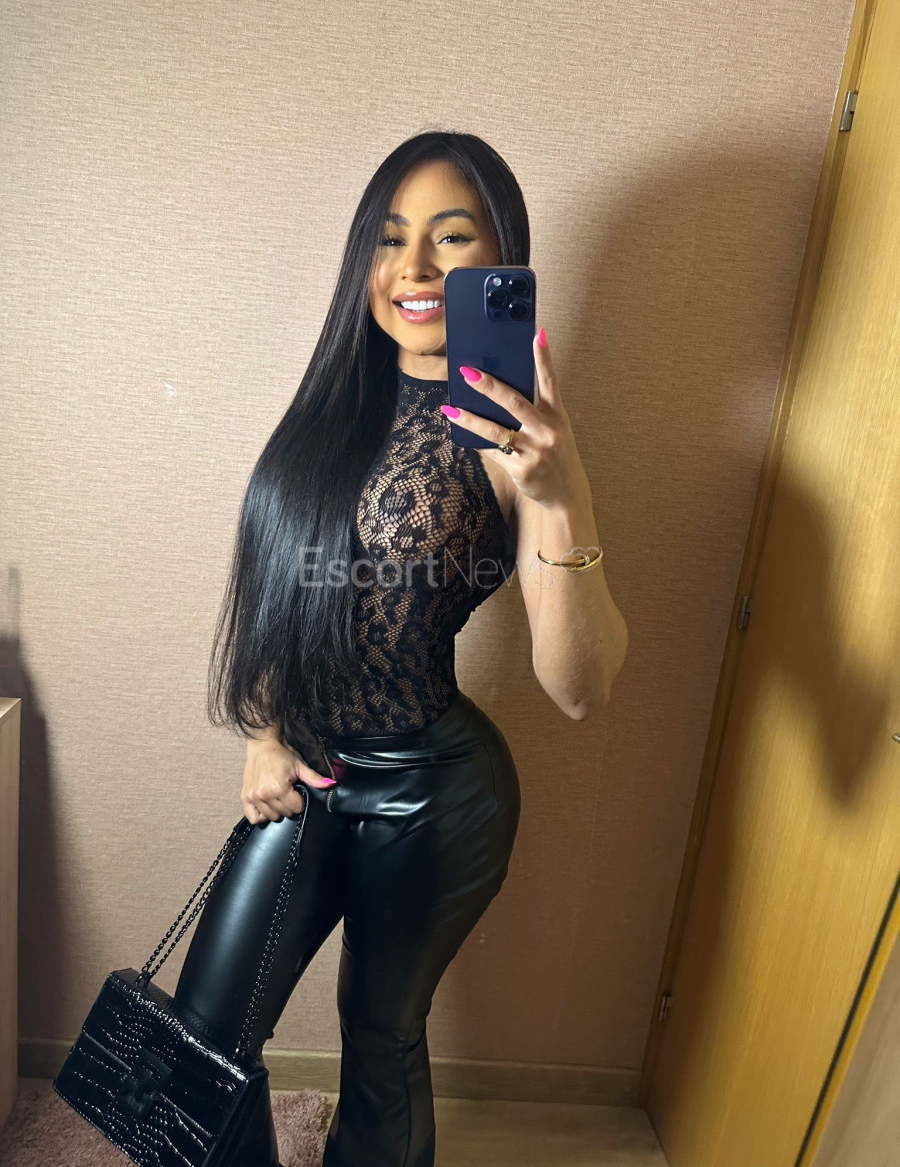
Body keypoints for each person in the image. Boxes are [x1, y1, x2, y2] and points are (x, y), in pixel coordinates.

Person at [171, 130, 628, 1167]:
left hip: (436, 793)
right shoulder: (335, 399)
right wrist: (264, 729)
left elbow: (579, 685)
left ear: (501, 258)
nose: (414, 267)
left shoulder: (518, 438)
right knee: (205, 1037)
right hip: (308, 765)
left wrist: (563, 498)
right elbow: (288, 586)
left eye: (450, 237)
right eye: (390, 238)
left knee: (379, 1040)